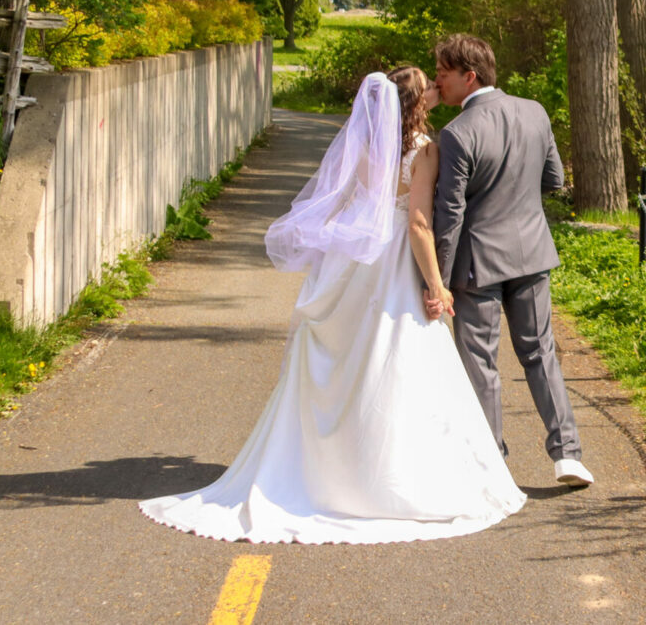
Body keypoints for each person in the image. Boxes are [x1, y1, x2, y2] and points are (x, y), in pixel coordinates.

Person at [140, 68, 526, 544]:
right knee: (393, 363)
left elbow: (340, 203)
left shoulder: (362, 145)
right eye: (426, 86)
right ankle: (386, 477)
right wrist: (436, 286)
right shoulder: (424, 150)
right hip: (394, 266)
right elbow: (420, 225)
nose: (432, 91)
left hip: (354, 263)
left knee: (346, 363)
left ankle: (327, 471)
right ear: (413, 103)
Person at [429, 34, 593, 488]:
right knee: (541, 353)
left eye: (444, 73)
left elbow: (450, 214)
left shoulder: (457, 133)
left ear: (470, 76)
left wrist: (437, 282)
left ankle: (492, 462)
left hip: (476, 263)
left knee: (481, 362)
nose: (438, 81)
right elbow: (555, 178)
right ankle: (569, 455)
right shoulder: (535, 111)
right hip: (531, 253)